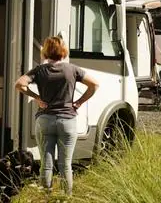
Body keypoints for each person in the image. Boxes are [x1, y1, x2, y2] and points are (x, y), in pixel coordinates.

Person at [15, 36, 99, 196]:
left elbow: (19, 84)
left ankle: (46, 198)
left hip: (45, 120)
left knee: (46, 165)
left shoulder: (39, 70)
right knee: (65, 165)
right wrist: (79, 102)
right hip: (67, 121)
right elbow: (94, 85)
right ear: (63, 51)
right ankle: (65, 198)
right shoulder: (73, 69)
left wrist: (37, 98)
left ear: (45, 51)